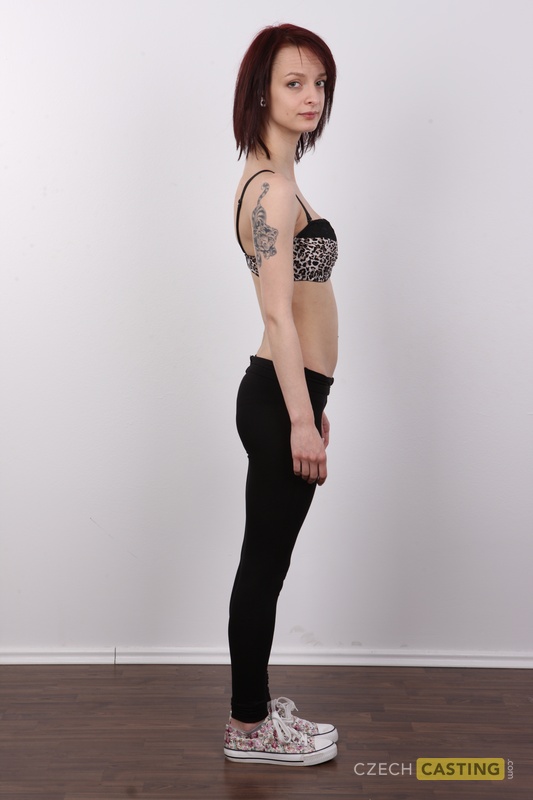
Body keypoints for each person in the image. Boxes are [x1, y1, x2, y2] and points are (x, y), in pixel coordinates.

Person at [224, 23, 340, 767]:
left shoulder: (275, 179)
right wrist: (301, 417)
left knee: (266, 563)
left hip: (289, 395)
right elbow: (276, 316)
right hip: (277, 401)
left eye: (319, 83)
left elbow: (303, 304)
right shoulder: (271, 191)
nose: (311, 96)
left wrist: (314, 402)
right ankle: (249, 727)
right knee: (263, 567)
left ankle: (256, 712)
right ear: (261, 91)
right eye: (294, 82)